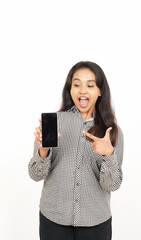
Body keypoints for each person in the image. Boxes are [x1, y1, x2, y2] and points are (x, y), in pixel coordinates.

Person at [28, 61, 124, 240]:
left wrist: (109, 155)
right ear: (70, 89)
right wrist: (43, 151)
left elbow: (112, 185)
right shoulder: (54, 121)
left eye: (90, 85)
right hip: (53, 219)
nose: (83, 90)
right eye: (77, 84)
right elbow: (35, 174)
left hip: (95, 222)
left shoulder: (111, 131)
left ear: (100, 91)